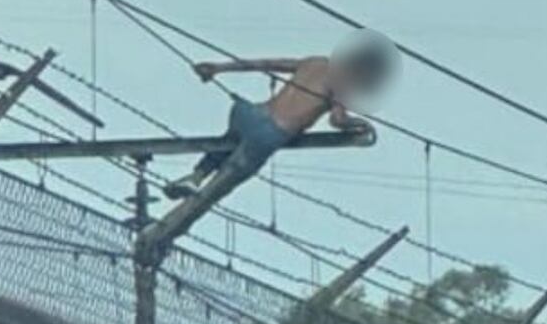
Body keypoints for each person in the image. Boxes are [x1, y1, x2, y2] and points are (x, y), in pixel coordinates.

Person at [163, 30, 397, 200]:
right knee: (233, 174)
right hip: (271, 132)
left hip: (247, 113)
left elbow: (265, 63)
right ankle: (200, 194)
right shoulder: (343, 82)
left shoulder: (315, 62)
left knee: (229, 143)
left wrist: (218, 68)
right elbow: (338, 120)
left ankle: (196, 175)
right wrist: (361, 124)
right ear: (363, 69)